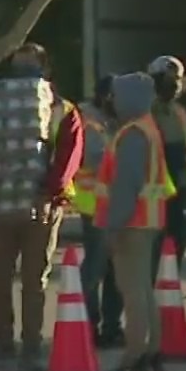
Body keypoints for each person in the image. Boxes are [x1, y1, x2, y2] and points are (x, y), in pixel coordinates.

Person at [0, 42, 84, 368]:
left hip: (41, 207)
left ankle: (31, 341)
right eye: (18, 64)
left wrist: (49, 194)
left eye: (29, 65)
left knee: (34, 277)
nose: (22, 72)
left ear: (45, 70)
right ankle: (4, 339)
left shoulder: (62, 110)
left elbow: (67, 157)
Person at [95, 73, 175, 371]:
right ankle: (151, 349)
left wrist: (113, 227)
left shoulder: (132, 134)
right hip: (147, 221)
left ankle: (135, 353)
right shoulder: (147, 129)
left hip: (131, 224)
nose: (112, 101)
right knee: (142, 287)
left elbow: (125, 186)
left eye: (116, 95)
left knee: (131, 289)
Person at [74, 76, 126, 347]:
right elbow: (96, 157)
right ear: (107, 97)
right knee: (95, 266)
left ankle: (111, 326)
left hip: (113, 204)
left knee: (113, 268)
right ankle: (88, 325)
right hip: (95, 204)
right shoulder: (89, 121)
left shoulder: (115, 120)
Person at [147, 55, 186, 269]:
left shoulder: (179, 112)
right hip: (157, 188)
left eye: (176, 80)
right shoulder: (147, 111)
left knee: (180, 236)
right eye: (168, 80)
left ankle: (169, 285)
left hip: (181, 184)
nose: (174, 86)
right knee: (157, 243)